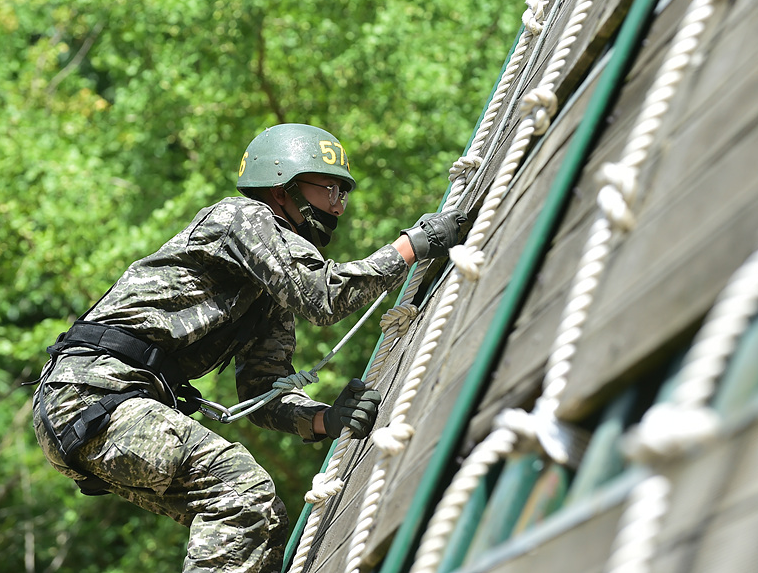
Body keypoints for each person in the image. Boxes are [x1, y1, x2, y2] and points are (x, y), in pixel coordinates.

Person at [32, 123, 467, 573]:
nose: (339, 205)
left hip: (93, 407)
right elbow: (325, 297)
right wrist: (410, 247)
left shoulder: (266, 293)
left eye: (344, 194)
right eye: (331, 188)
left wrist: (322, 419)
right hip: (92, 393)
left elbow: (261, 388)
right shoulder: (242, 217)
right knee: (243, 494)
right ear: (283, 189)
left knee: (259, 519)